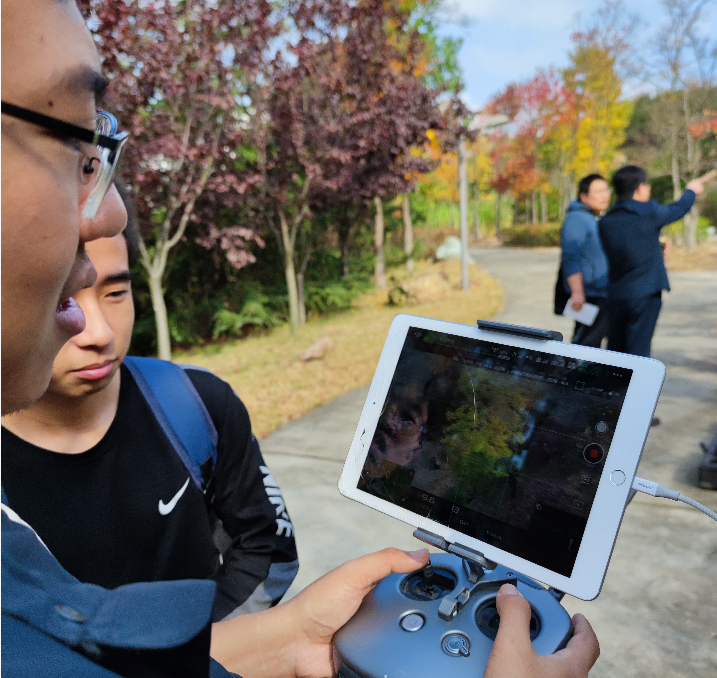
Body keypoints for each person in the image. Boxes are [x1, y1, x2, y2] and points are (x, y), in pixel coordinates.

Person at [1, 1, 600, 676]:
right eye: (73, 140)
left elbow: (242, 562)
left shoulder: (191, 408)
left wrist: (283, 639)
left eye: (100, 147)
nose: (109, 208)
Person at [1, 211, 299, 622]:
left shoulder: (197, 404)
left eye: (115, 292)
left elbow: (267, 547)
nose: (100, 333)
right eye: (60, 298)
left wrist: (210, 648)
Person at [598, 165, 715, 358]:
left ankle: (613, 379)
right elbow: (679, 209)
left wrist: (656, 248)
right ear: (640, 188)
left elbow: (628, 249)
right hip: (645, 294)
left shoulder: (606, 221)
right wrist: (691, 191)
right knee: (638, 352)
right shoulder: (649, 212)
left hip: (616, 294)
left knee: (616, 352)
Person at [559, 174, 612, 347]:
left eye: (606, 190)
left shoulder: (595, 217)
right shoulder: (577, 218)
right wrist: (577, 292)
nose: (604, 195)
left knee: (593, 345)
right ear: (583, 195)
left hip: (603, 293)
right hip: (590, 295)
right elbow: (570, 256)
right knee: (585, 345)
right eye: (598, 191)